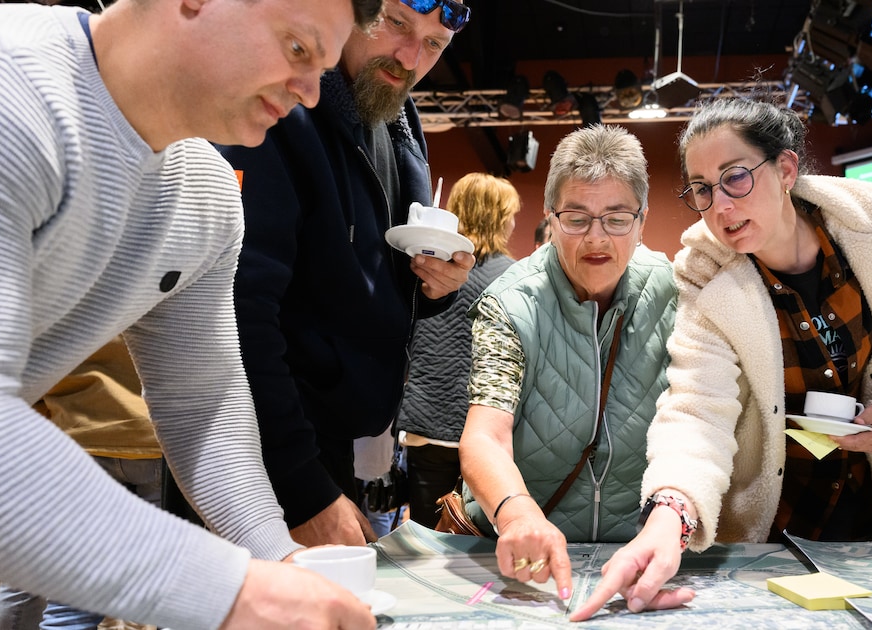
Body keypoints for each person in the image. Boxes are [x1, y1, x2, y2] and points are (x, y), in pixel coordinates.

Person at [0, 0, 384, 626]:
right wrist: (230, 590)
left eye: (323, 66)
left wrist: (277, 563)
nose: (310, 94)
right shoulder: (5, 87)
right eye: (298, 49)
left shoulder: (207, 193)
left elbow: (203, 407)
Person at [570, 96, 872, 620]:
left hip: (867, 508)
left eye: (735, 177)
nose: (720, 205)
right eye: (702, 188)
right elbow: (698, 408)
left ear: (786, 168)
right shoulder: (705, 274)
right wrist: (668, 515)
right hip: (770, 527)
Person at [216, 0, 473, 549]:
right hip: (269, 452)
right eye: (398, 24)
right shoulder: (283, 107)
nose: (409, 56)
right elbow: (239, 314)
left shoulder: (398, 120)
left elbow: (378, 278)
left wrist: (435, 287)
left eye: (433, 45)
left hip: (347, 447)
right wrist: (302, 486)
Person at [458, 125, 678, 603]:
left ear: (642, 220)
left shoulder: (674, 292)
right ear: (550, 218)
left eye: (617, 219)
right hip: (525, 560)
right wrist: (518, 515)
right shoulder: (510, 304)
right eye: (576, 218)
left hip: (631, 559)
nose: (596, 238)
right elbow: (485, 434)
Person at [0, 338, 161, 630]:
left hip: (74, 438)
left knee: (59, 591)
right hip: (159, 438)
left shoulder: (55, 297)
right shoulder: (155, 294)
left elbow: (24, 374)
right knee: (168, 585)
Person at [396, 172, 522, 528]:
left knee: (425, 533)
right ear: (498, 216)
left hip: (426, 419)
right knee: (481, 535)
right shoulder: (512, 278)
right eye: (510, 213)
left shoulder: (426, 270)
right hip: (483, 425)